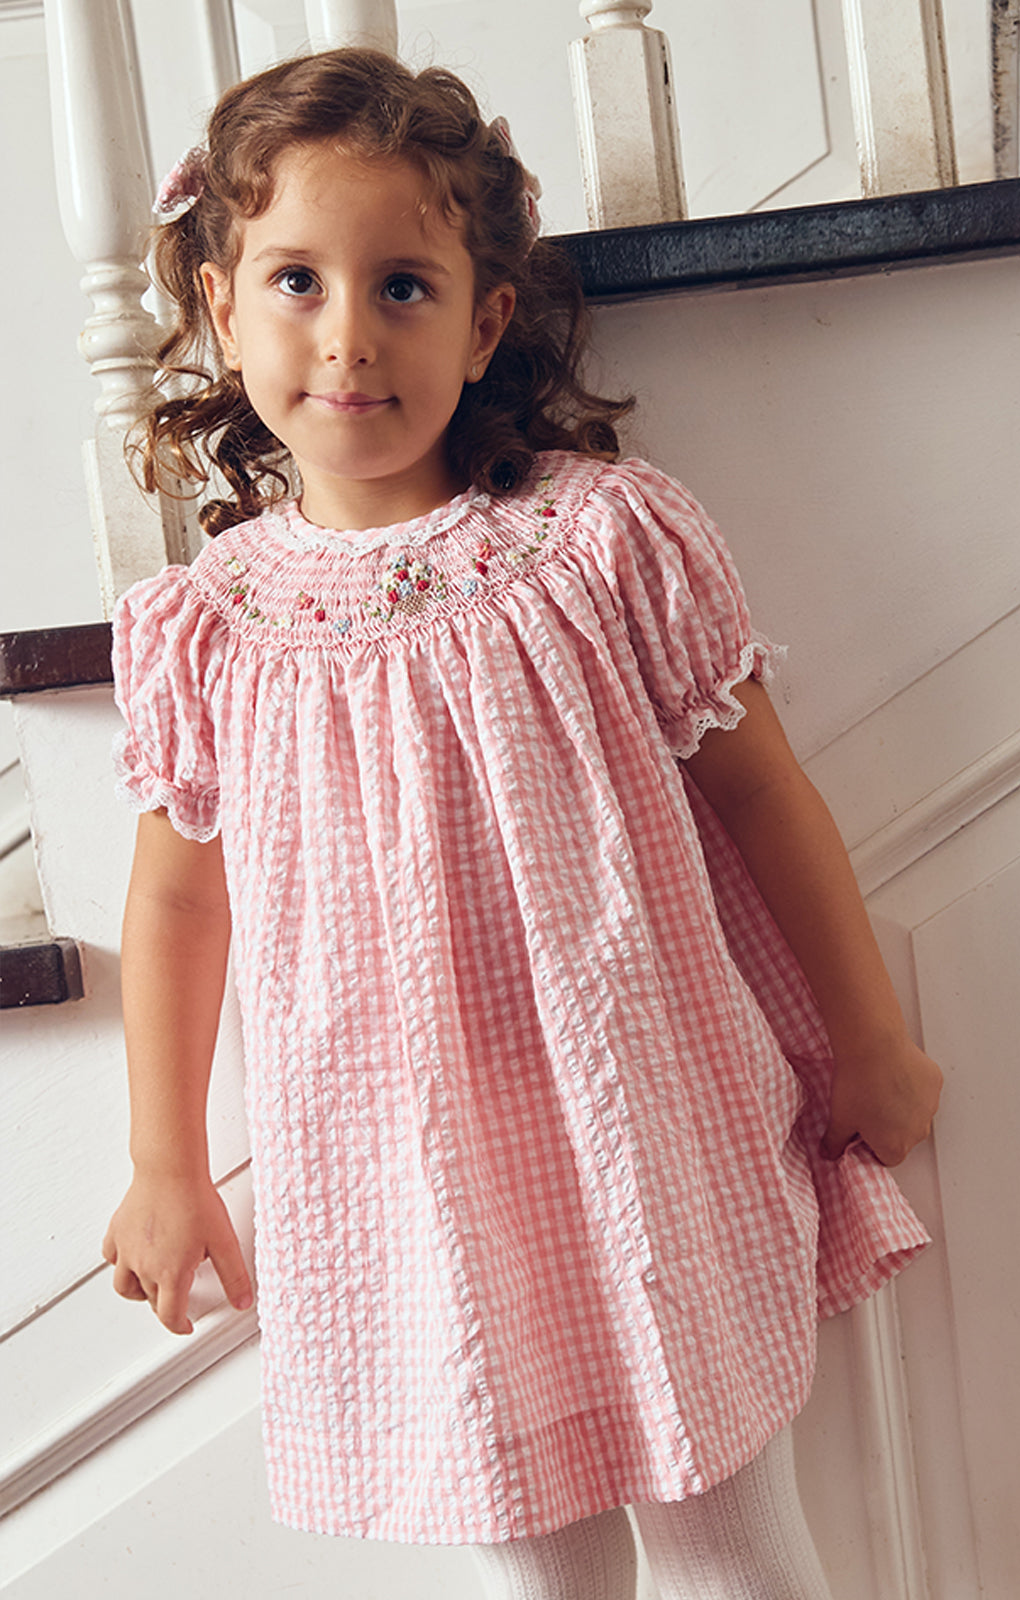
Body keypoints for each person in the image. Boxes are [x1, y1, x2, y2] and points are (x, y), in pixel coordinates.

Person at [101, 47, 942, 1600]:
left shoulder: (597, 542)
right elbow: (174, 903)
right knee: (544, 1581)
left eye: (402, 286)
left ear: (484, 321)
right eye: (295, 280)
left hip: (644, 1131)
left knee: (740, 1559)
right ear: (223, 307)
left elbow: (761, 793)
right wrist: (168, 1161)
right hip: (410, 1179)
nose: (348, 335)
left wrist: (869, 1037)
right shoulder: (211, 630)